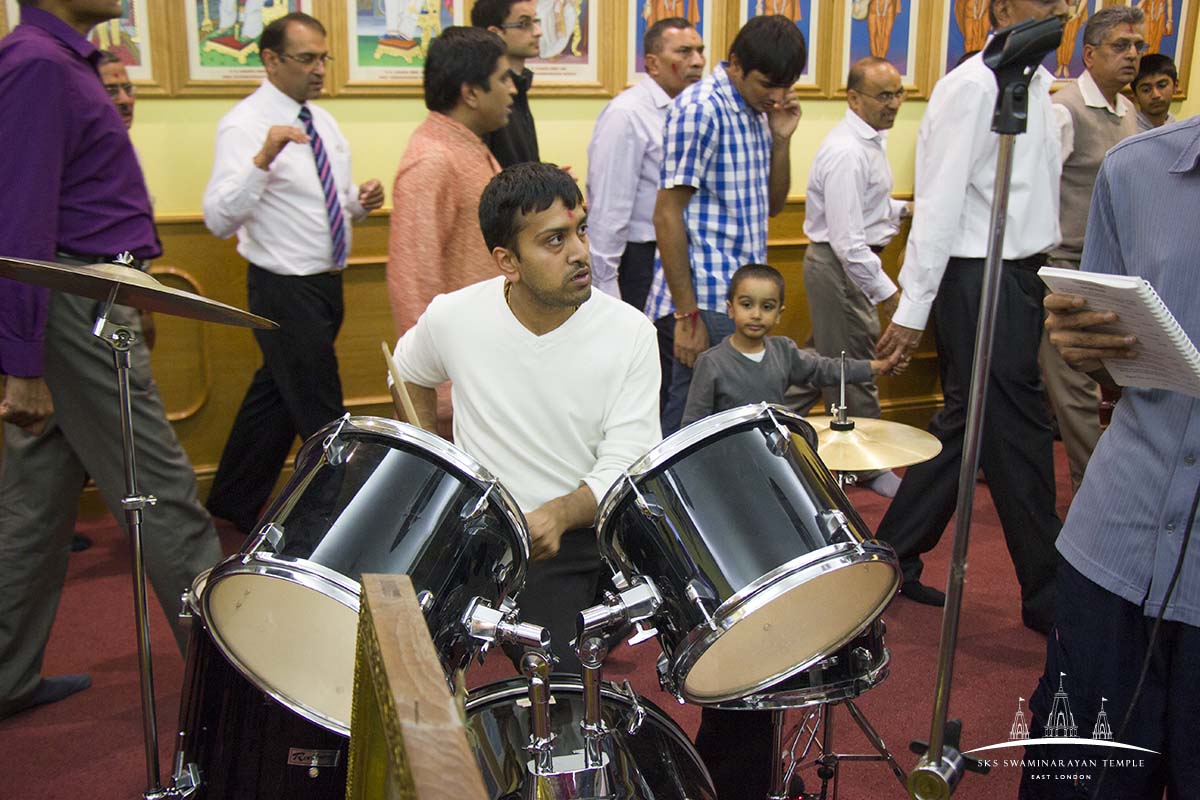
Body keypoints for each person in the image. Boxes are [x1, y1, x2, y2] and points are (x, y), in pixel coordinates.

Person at [0, 0, 223, 720]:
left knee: (35, 500)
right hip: (75, 298)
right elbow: (18, 218)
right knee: (160, 492)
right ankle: (238, 693)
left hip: (86, 292)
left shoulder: (63, 61)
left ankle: (5, 674)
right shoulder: (37, 62)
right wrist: (21, 363)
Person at [388, 163, 660, 673]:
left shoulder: (631, 333)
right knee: (387, 649)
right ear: (507, 261)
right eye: (555, 240)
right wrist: (435, 468)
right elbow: (407, 372)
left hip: (573, 539)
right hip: (475, 530)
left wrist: (561, 513)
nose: (580, 252)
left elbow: (627, 464)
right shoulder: (454, 316)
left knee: (556, 683)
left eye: (581, 230)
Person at [1019, 114, 1200, 800]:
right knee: (1073, 785)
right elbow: (1111, 365)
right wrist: (1085, 346)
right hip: (1113, 545)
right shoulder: (1136, 170)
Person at [873, 0, 1068, 632]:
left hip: (1021, 273)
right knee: (1022, 433)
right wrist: (914, 307)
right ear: (1003, 8)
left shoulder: (1040, 87)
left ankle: (889, 557)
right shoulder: (972, 87)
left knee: (968, 424)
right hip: (981, 274)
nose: (1064, 8)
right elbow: (939, 203)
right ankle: (1050, 594)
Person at [203, 12, 385, 535]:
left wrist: (359, 204)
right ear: (271, 60)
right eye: (307, 58)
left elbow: (331, 204)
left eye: (323, 58)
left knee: (277, 395)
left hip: (326, 283)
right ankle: (337, 521)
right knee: (320, 408)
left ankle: (232, 501)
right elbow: (218, 219)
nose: (319, 69)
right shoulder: (244, 125)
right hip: (282, 285)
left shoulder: (322, 122)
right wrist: (262, 159)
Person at [646, 13, 807, 436]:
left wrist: (781, 139)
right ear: (735, 64)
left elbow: (774, 205)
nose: (777, 96)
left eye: (786, 86)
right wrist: (687, 315)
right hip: (704, 301)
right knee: (687, 436)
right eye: (767, 84)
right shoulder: (701, 108)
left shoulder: (757, 111)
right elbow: (666, 213)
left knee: (727, 438)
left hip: (739, 297)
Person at [1042, 5, 1145, 494]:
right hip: (1064, 266)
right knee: (1076, 388)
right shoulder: (1065, 110)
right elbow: (1041, 190)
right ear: (1089, 54)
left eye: (1138, 46)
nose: (1132, 55)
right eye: (1121, 46)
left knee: (1116, 378)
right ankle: (1094, 490)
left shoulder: (1129, 112)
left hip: (1112, 267)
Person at [802, 56, 909, 497]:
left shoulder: (869, 141)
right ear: (853, 98)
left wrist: (904, 210)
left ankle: (770, 436)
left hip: (848, 266)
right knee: (854, 365)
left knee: (818, 363)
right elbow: (848, 242)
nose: (894, 103)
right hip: (843, 268)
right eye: (883, 95)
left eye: (899, 93)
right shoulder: (847, 151)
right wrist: (888, 294)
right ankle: (866, 467)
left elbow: (867, 210)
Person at [388, 26, 513, 337]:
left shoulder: (469, 145)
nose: (512, 89)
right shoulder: (432, 160)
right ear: (470, 93)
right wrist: (430, 363)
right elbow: (412, 281)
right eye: (503, 79)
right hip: (457, 352)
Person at [585, 17, 705, 308]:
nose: (698, 61)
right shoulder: (627, 114)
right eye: (684, 52)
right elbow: (609, 209)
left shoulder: (693, 112)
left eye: (700, 51)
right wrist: (604, 285)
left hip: (683, 252)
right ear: (652, 63)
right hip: (638, 259)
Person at [683, 264, 897, 425]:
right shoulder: (711, 362)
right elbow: (692, 425)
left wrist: (875, 367)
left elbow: (825, 369)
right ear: (730, 309)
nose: (756, 314)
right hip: (729, 458)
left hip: (775, 453)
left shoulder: (783, 351)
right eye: (747, 305)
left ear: (779, 314)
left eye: (767, 307)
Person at [471, 0, 541, 168]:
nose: (538, 32)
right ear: (495, 33)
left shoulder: (521, 84)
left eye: (536, 21)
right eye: (524, 24)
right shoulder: (486, 96)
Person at [1132, 52, 1178, 132]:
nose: (1155, 95)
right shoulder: (1127, 130)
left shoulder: (1180, 129)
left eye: (1162, 85)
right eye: (1146, 90)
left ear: (1175, 87)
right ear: (1135, 95)